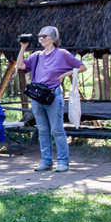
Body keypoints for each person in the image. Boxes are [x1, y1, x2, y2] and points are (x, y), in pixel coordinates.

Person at [16, 26, 86, 172]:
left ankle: (62, 161)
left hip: (53, 95)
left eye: (45, 36)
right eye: (40, 36)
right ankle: (46, 161)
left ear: (53, 38)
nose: (41, 38)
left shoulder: (62, 54)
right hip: (37, 96)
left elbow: (82, 67)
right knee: (42, 130)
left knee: (57, 130)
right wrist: (23, 47)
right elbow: (20, 65)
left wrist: (64, 75)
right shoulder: (36, 55)